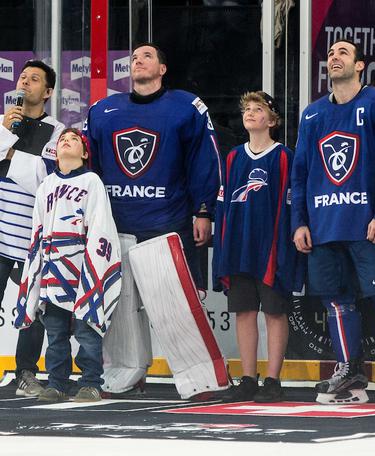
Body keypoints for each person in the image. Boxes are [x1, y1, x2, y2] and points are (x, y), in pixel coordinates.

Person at [84, 43, 226, 399]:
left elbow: (204, 161)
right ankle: (124, 371)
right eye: (133, 57)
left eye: (146, 56)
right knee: (119, 303)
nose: (137, 61)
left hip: (169, 221)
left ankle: (200, 376)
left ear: (162, 68)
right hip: (117, 225)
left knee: (175, 304)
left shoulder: (186, 106)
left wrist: (204, 209)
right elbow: (92, 170)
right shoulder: (103, 111)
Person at [291, 39, 375, 405]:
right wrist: (299, 222)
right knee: (335, 301)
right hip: (324, 223)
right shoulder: (312, 113)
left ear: (360, 66)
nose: (334, 57)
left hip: (366, 224)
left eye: (343, 53)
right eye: (330, 53)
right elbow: (300, 174)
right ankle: (348, 368)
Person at [14, 128, 121, 403]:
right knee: (56, 331)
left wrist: (94, 266)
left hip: (82, 264)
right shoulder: (46, 185)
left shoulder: (91, 181)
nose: (67, 141)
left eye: (74, 140)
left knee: (87, 329)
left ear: (85, 153)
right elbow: (37, 229)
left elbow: (100, 225)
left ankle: (90, 382)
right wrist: (35, 268)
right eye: (63, 139)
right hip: (51, 268)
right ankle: (57, 382)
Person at [213, 91, 298, 403]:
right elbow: (224, 205)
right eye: (246, 108)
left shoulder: (283, 156)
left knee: (275, 312)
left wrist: (284, 248)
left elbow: (288, 206)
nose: (250, 113)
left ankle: (272, 379)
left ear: (272, 120)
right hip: (239, 246)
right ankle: (248, 377)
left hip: (270, 247)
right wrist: (222, 249)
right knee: (244, 312)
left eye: (257, 109)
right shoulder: (234, 156)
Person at [0, 60, 64, 397]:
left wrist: (8, 155)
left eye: (34, 79)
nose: (25, 82)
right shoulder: (2, 123)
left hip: (32, 237)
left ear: (48, 92)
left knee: (32, 310)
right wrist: (9, 138)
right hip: (0, 233)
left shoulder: (58, 131)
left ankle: (25, 372)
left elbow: (46, 178)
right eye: (23, 77)